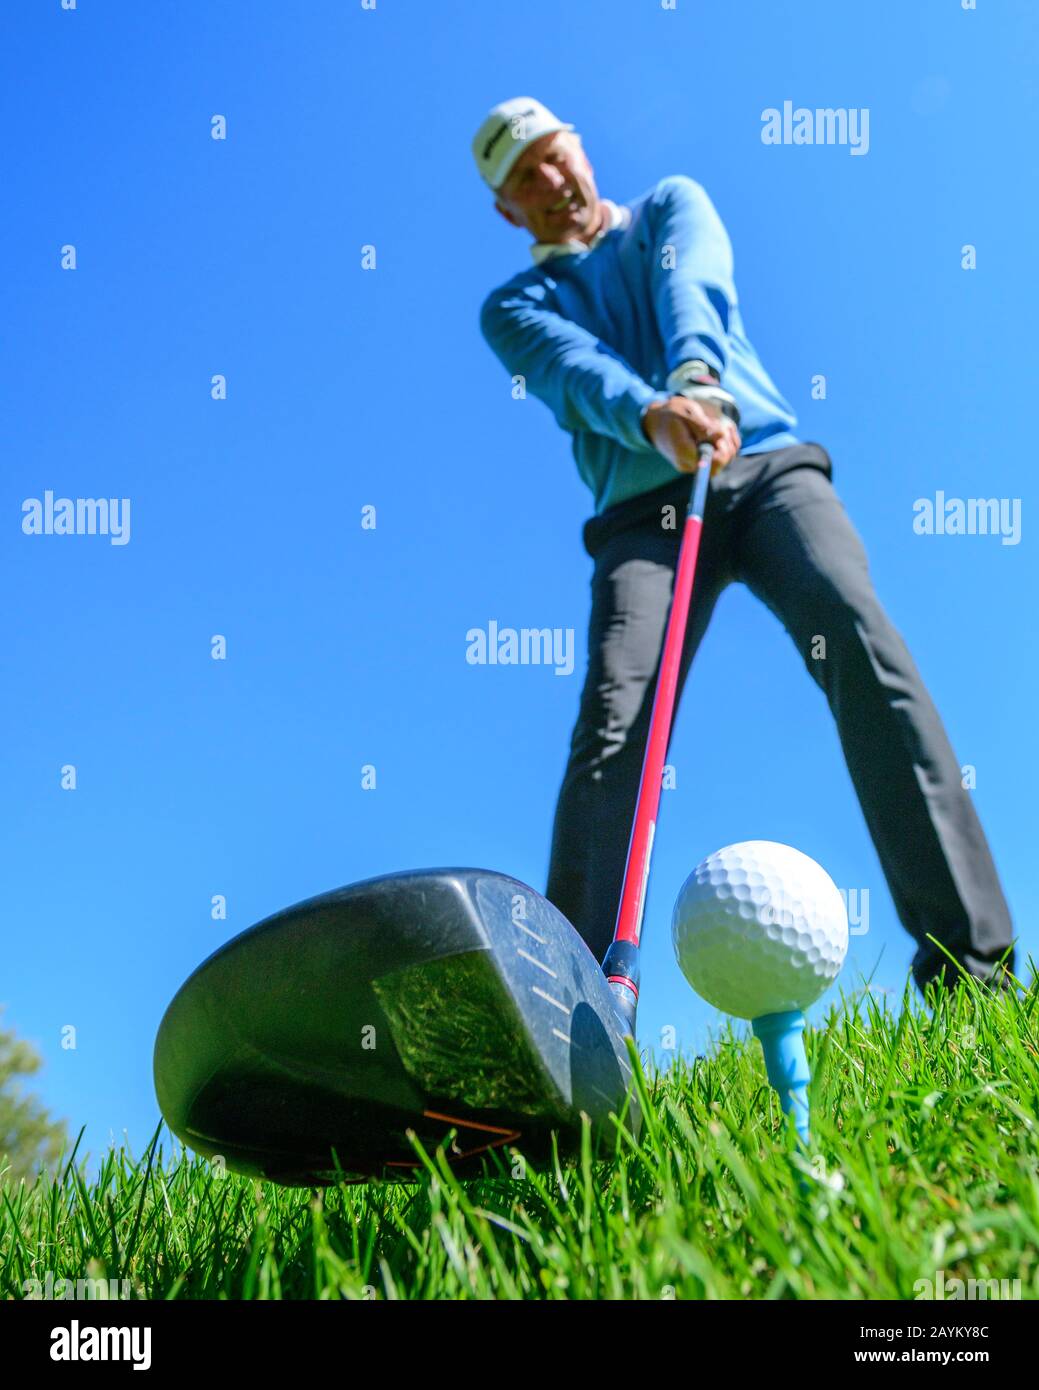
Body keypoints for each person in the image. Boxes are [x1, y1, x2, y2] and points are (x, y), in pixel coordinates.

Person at [473, 96, 1014, 993]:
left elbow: (696, 289)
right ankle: (572, 1023)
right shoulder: (513, 305)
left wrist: (694, 379)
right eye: (524, 178)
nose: (550, 181)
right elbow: (571, 374)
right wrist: (652, 414)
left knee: (855, 635)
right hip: (640, 518)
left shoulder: (667, 207)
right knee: (617, 722)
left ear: (578, 151)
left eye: (553, 155)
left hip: (763, 469)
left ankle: (973, 971)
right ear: (507, 210)